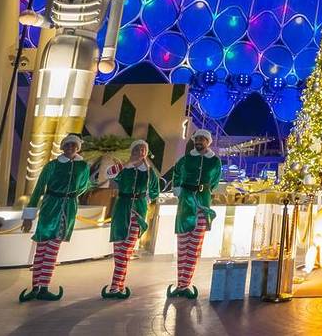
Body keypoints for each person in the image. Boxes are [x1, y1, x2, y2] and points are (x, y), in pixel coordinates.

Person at [20, 134, 92, 302]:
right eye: (67, 145)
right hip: (50, 207)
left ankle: (44, 287)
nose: (70, 148)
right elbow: (38, 189)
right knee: (42, 247)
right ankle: (35, 287)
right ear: (62, 147)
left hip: (68, 209)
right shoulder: (52, 165)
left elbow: (84, 186)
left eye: (73, 145)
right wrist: (28, 216)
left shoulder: (83, 167)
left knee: (53, 249)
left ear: (78, 147)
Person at [102, 139, 160, 299]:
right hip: (121, 208)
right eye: (137, 149)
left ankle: (115, 285)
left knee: (127, 248)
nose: (140, 152)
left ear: (146, 153)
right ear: (132, 151)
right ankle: (118, 285)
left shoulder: (149, 172)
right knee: (119, 247)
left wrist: (146, 199)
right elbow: (109, 174)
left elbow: (155, 191)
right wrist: (127, 163)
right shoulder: (124, 168)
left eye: (143, 150)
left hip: (138, 210)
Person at [168, 129, 221, 299]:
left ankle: (184, 284)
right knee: (183, 244)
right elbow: (177, 173)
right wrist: (177, 188)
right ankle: (181, 284)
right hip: (185, 204)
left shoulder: (214, 161)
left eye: (202, 139)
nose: (199, 142)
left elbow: (215, 182)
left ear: (208, 142)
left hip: (203, 205)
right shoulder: (185, 159)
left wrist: (205, 191)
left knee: (194, 246)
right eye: (197, 139)